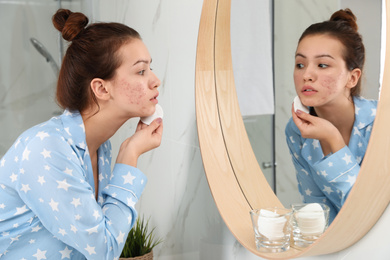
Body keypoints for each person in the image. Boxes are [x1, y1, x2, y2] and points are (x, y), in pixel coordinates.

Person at [0, 9, 163, 259]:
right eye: (141, 71)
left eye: (150, 68)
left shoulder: (99, 148)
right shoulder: (47, 149)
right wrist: (130, 155)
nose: (155, 81)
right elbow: (104, 250)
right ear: (101, 88)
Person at [285, 8, 377, 223]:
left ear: (352, 78)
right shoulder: (296, 130)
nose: (306, 75)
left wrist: (332, 139)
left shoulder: (382, 123)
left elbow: (371, 215)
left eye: (322, 65)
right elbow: (317, 212)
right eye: (300, 64)